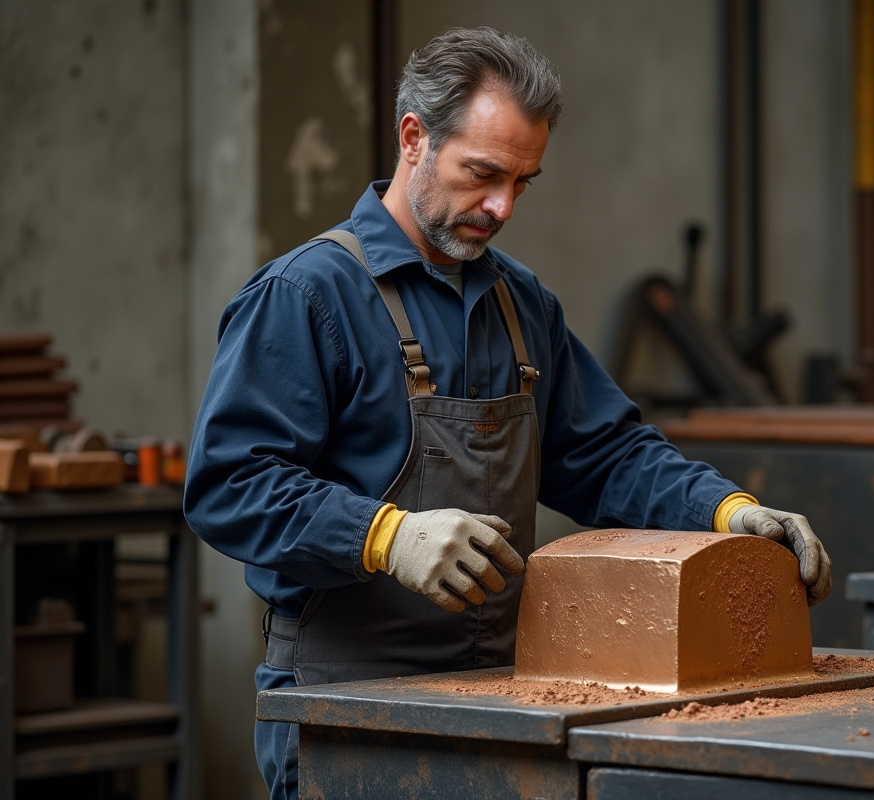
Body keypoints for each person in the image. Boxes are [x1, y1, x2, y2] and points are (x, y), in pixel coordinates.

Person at [184, 26, 831, 800]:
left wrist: (726, 511)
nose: (501, 206)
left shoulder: (520, 305)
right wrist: (385, 536)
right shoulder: (304, 297)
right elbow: (228, 485)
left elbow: (606, 455)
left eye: (523, 182)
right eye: (484, 173)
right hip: (344, 705)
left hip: (500, 696)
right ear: (414, 139)